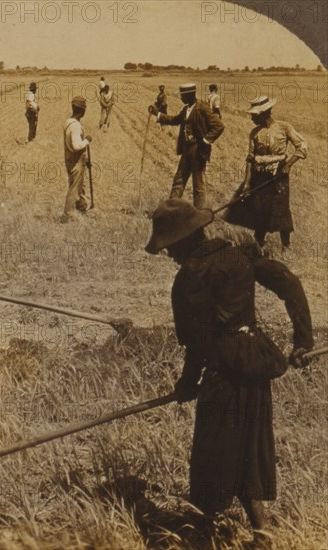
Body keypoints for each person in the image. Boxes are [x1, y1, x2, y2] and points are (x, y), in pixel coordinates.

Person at [145, 198, 313, 545]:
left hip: (224, 372)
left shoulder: (189, 280)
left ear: (185, 240)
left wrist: (188, 382)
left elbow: (199, 342)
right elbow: (290, 285)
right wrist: (303, 340)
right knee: (248, 449)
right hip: (254, 364)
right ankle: (262, 533)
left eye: (170, 247)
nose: (168, 255)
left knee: (212, 453)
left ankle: (201, 533)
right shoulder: (240, 255)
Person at [225, 96, 307, 251]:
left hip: (279, 176)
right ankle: (258, 244)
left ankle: (286, 246)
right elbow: (250, 159)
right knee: (260, 208)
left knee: (280, 208)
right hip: (259, 176)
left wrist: (288, 165)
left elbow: (302, 146)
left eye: (254, 115)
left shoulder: (284, 127)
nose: (252, 118)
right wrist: (247, 183)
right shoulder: (254, 133)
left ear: (264, 113)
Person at [149, 83, 224, 209]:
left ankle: (199, 214)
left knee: (197, 184)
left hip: (198, 151)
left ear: (190, 95)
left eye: (183, 96)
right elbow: (174, 120)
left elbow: (219, 126)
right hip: (187, 150)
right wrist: (158, 115)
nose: (181, 98)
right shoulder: (186, 109)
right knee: (179, 179)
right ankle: (171, 210)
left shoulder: (203, 108)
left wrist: (205, 141)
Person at [62, 96, 92, 220]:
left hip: (71, 159)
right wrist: (87, 140)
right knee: (74, 188)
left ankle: (82, 207)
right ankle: (67, 215)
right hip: (76, 160)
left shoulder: (68, 122)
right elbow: (76, 145)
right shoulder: (75, 126)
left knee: (79, 186)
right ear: (81, 110)